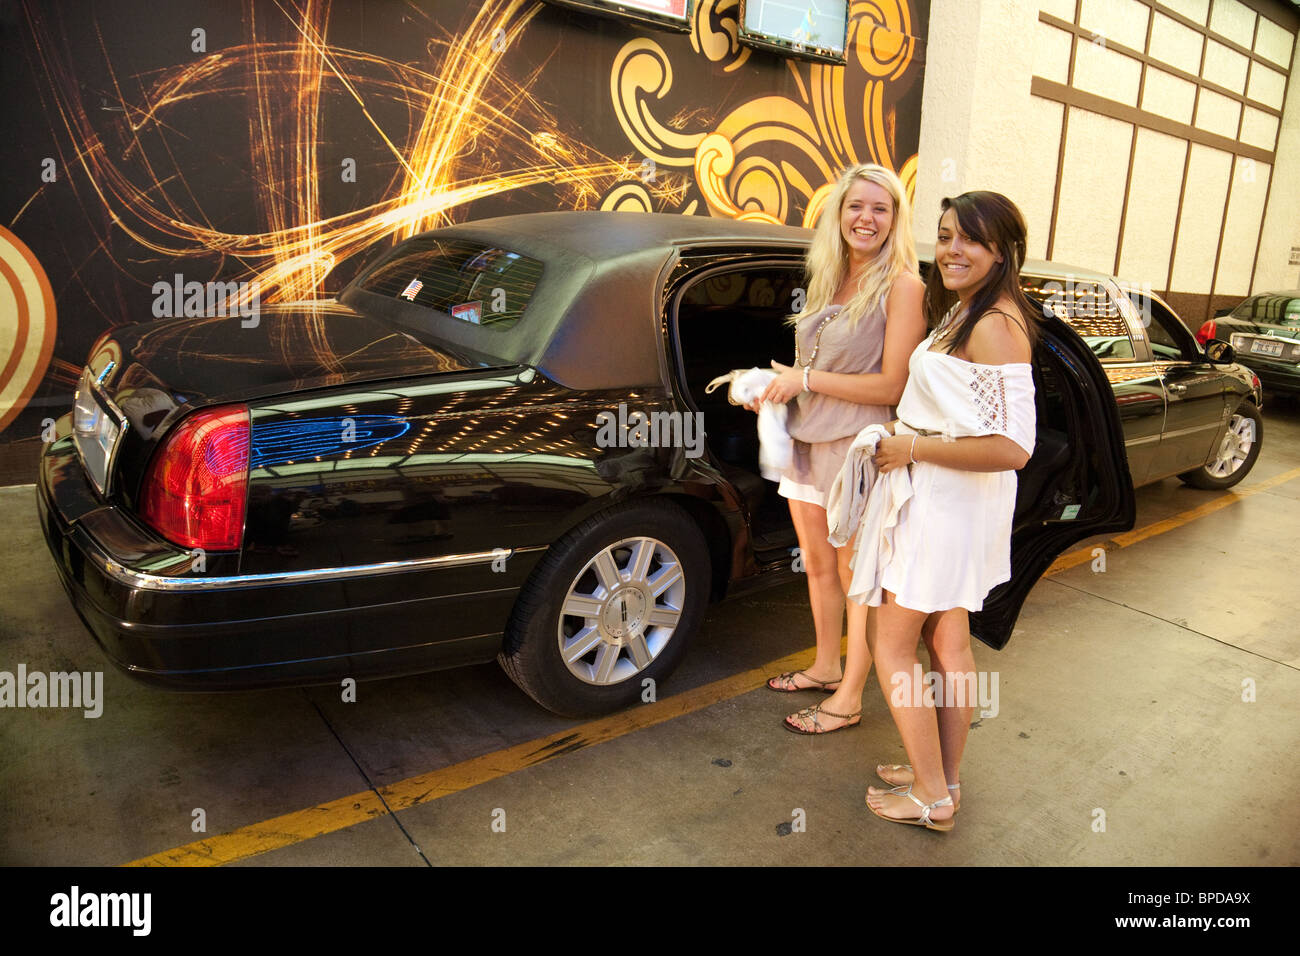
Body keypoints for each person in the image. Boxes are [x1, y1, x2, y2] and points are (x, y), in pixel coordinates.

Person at [849, 190, 1039, 830]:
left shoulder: (993, 325)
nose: (953, 250)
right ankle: (944, 779)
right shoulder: (970, 311)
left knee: (892, 645)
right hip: (948, 501)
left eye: (971, 240)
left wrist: (908, 446)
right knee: (948, 643)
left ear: (1002, 252)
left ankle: (929, 796)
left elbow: (1013, 447)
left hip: (943, 506)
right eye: (946, 235)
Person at [749, 163, 926, 734]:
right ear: (839, 213)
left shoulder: (903, 286)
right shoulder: (829, 277)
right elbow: (814, 368)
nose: (866, 218)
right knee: (819, 565)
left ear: (895, 219)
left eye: (880, 208)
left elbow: (893, 386)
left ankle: (849, 697)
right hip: (804, 438)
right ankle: (826, 666)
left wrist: (805, 381)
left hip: (856, 450)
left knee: (857, 575)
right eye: (856, 206)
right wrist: (772, 386)